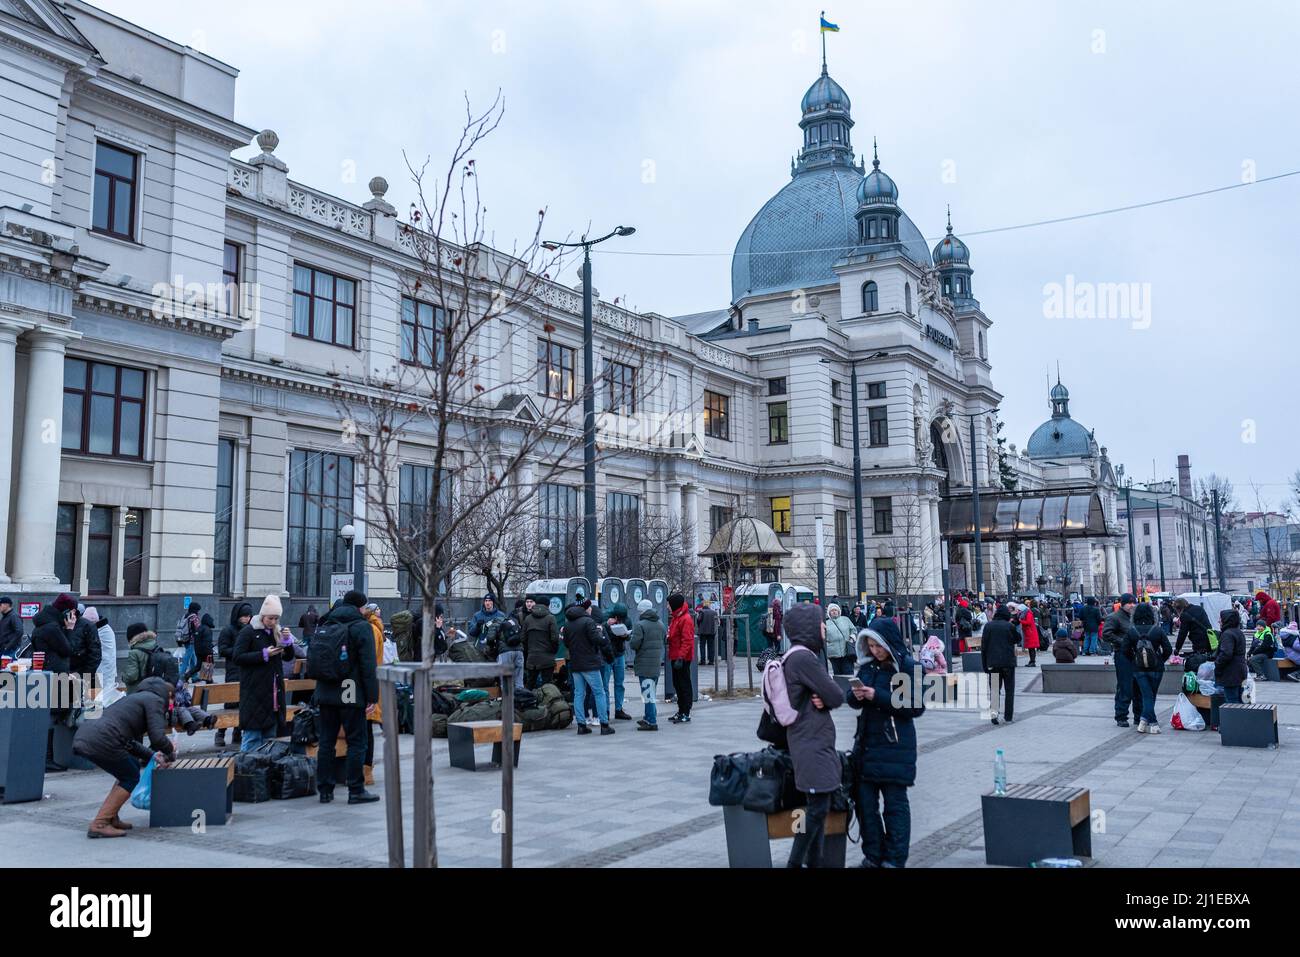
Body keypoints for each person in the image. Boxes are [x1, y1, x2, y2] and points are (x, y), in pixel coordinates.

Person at [778, 602, 845, 868]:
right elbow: (836, 694)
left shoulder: (795, 655)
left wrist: (824, 698)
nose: (825, 627)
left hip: (807, 741)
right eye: (821, 623)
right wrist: (826, 698)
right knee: (816, 811)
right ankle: (795, 864)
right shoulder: (804, 658)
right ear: (809, 628)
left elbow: (826, 696)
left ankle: (813, 863)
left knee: (818, 807)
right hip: (812, 743)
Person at [848, 617, 918, 868]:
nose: (875, 651)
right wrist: (856, 695)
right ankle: (873, 856)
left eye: (878, 646)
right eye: (871, 646)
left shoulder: (908, 666)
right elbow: (852, 699)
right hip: (867, 745)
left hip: (895, 745)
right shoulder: (868, 667)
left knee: (895, 807)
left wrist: (878, 695)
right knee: (866, 807)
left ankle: (894, 859)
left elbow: (915, 705)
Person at [72, 676, 175, 838]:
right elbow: (158, 737)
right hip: (102, 738)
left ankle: (112, 817)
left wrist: (153, 755)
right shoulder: (155, 701)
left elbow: (128, 742)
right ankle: (100, 823)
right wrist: (170, 752)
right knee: (130, 776)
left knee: (130, 767)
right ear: (168, 695)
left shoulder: (133, 699)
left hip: (86, 735)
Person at [310, 592, 380, 803]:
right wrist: (372, 696)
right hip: (351, 691)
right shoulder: (361, 627)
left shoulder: (326, 622)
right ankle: (356, 790)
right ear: (360, 607)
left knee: (326, 741)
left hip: (326, 690)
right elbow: (368, 666)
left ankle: (324, 790)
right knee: (357, 741)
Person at [233, 595, 293, 753]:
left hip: (273, 695)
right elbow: (237, 657)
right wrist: (264, 654)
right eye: (270, 618)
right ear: (262, 615)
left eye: (276, 618)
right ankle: (245, 770)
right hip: (254, 694)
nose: (273, 622)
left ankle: (263, 773)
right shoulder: (249, 632)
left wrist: (287, 643)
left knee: (269, 740)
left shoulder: (277, 631)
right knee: (252, 738)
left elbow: (288, 657)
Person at [563, 598, 613, 735]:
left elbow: (566, 643)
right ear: (586, 609)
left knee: (579, 694)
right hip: (590, 663)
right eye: (590, 608)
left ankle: (581, 725)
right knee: (599, 692)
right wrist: (603, 639)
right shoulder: (588, 621)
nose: (591, 610)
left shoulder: (568, 623)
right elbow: (596, 639)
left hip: (575, 663)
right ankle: (604, 724)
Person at [1122, 603, 1172, 733]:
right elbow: (1168, 649)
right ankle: (1153, 723)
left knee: (1146, 695)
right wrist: (1160, 660)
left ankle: (1143, 722)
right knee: (1151, 695)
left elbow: (1125, 650)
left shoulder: (1131, 631)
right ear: (1152, 615)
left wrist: (1134, 659)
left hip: (1139, 669)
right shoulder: (1157, 630)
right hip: (1156, 669)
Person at [213, 602, 252, 747]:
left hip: (247, 671)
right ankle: (221, 732)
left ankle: (237, 731)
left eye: (248, 616)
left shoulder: (250, 629)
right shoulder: (228, 630)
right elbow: (222, 650)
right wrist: (239, 652)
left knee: (243, 703)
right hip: (233, 671)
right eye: (244, 616)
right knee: (230, 702)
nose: (246, 619)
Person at [1103, 593, 1140, 728]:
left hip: (1136, 654)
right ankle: (1121, 715)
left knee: (1138, 685)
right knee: (1125, 686)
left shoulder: (1133, 617)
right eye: (1129, 603)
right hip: (1123, 655)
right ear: (1122, 604)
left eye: (1133, 603)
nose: (1131, 605)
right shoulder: (1114, 617)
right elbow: (1106, 634)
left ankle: (1138, 715)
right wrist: (1123, 642)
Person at [629, 598, 667, 730]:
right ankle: (648, 717)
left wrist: (630, 637)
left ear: (643, 611)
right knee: (650, 693)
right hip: (656, 663)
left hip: (644, 664)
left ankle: (651, 721)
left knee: (648, 695)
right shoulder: (661, 624)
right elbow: (664, 641)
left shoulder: (640, 625)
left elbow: (634, 644)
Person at [361, 603, 386, 786]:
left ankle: (365, 772)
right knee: (366, 730)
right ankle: (365, 772)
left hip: (364, 686)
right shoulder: (375, 628)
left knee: (364, 730)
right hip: (370, 685)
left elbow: (367, 661)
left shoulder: (369, 630)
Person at [981, 606, 1019, 725]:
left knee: (995, 690)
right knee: (1009, 690)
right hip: (1008, 663)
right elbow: (1018, 638)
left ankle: (994, 715)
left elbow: (984, 647)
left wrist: (985, 666)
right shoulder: (1009, 626)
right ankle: (1008, 717)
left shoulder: (988, 626)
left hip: (993, 663)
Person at [667, 593, 696, 724]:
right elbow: (675, 635)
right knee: (677, 684)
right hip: (675, 655)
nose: (667, 607)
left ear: (674, 605)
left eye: (668, 604)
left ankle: (686, 712)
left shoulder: (685, 619)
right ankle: (681, 710)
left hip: (682, 658)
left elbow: (687, 640)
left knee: (684, 684)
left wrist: (681, 657)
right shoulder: (676, 617)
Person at [83, 608, 121, 706]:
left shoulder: (102, 632)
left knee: (102, 697)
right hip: (105, 669)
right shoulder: (106, 629)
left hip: (103, 669)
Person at [603, 602, 633, 721]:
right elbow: (598, 630)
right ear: (614, 616)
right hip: (607, 654)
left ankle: (618, 709)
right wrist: (607, 624)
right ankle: (605, 709)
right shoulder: (606, 617)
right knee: (605, 684)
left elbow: (629, 636)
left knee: (619, 683)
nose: (620, 620)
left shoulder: (627, 620)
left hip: (619, 654)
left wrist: (625, 635)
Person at [521, 597, 559, 689]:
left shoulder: (528, 619)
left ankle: (528, 702)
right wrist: (553, 651)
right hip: (547, 658)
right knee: (547, 686)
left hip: (532, 658)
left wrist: (529, 651)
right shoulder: (551, 618)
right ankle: (546, 703)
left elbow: (523, 638)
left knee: (530, 683)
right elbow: (555, 638)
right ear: (548, 605)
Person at [1215, 609, 1248, 705]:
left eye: (1221, 619)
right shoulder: (1238, 632)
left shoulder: (1227, 634)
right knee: (1240, 701)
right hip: (1240, 671)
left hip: (1231, 673)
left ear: (1227, 620)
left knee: (1232, 703)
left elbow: (1226, 654)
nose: (1219, 621)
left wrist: (1217, 664)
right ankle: (1240, 720)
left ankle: (1234, 720)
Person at [825, 604, 857, 675]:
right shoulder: (826, 623)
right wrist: (827, 644)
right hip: (833, 653)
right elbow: (823, 636)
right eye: (832, 610)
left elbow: (853, 630)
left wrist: (851, 638)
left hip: (846, 651)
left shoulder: (845, 619)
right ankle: (839, 686)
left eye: (835, 610)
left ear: (839, 611)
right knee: (837, 674)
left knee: (848, 672)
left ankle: (849, 686)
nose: (834, 612)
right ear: (829, 613)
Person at [695, 598, 718, 667]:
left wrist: (699, 626)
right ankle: (711, 660)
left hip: (703, 632)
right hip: (711, 632)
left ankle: (703, 660)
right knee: (711, 646)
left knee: (702, 646)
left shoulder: (702, 612)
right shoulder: (714, 612)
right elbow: (717, 622)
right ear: (709, 605)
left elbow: (698, 620)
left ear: (703, 605)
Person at [1020, 599, 1041, 667]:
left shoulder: (1028, 613)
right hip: (1030, 632)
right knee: (1030, 648)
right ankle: (1031, 661)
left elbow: (1028, 622)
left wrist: (1021, 621)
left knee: (1031, 648)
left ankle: (1032, 661)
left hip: (1030, 632)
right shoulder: (1028, 612)